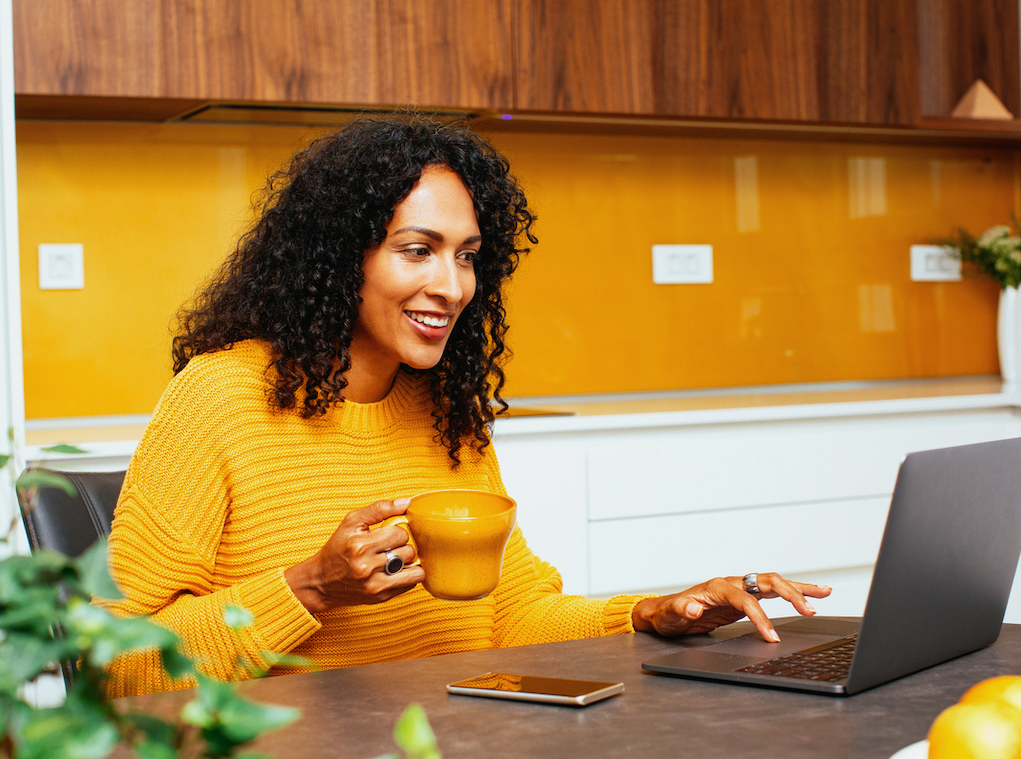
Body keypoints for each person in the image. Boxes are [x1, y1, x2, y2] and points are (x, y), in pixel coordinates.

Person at [104, 116, 831, 698]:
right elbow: (115, 667)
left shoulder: (444, 408)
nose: (452, 286)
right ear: (335, 258)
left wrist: (655, 612)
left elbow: (511, 616)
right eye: (418, 250)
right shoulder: (219, 397)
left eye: (467, 255)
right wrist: (310, 587)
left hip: (457, 749)